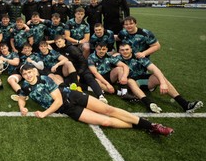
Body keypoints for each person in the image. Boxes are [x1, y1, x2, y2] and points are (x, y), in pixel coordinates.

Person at [16, 63, 174, 136]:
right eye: (25, 74)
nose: (28, 76)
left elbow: (57, 101)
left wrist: (44, 114)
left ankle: (153, 125)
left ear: (35, 71)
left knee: (109, 110)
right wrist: (22, 107)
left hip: (72, 96)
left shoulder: (45, 79)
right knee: (105, 121)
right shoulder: (25, 85)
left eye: (30, 72)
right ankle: (145, 126)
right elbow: (21, 97)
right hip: (69, 109)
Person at [118, 43, 203, 113]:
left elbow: (154, 69)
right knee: (130, 81)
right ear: (119, 51)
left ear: (131, 50)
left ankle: (185, 104)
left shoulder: (139, 57)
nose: (125, 51)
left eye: (127, 49)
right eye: (122, 50)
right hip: (130, 83)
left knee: (158, 77)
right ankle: (149, 103)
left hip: (143, 80)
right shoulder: (116, 58)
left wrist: (162, 83)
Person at [54, 35, 109, 103]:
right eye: (56, 43)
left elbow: (83, 62)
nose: (58, 43)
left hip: (82, 69)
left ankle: (100, 96)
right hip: (71, 72)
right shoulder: (57, 51)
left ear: (64, 40)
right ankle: (89, 88)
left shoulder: (72, 49)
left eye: (59, 41)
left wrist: (78, 74)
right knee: (67, 83)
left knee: (89, 77)